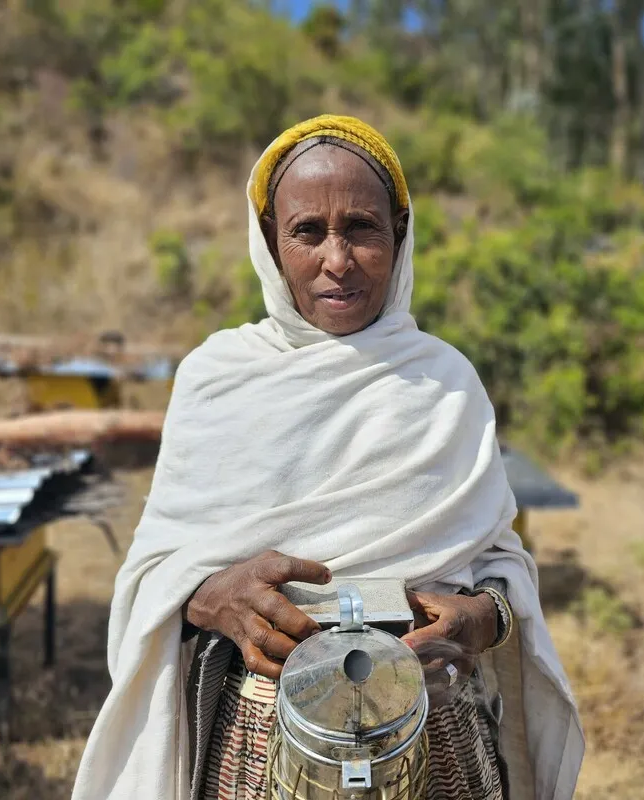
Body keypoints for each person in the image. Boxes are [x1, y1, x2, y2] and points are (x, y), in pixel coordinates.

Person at [71, 115, 583, 800]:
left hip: (437, 741)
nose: (336, 260)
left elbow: (497, 561)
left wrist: (483, 619)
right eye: (307, 231)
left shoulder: (445, 379)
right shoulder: (219, 376)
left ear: (399, 236)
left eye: (362, 228)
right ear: (270, 245)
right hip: (257, 745)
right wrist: (208, 597)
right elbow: (158, 567)